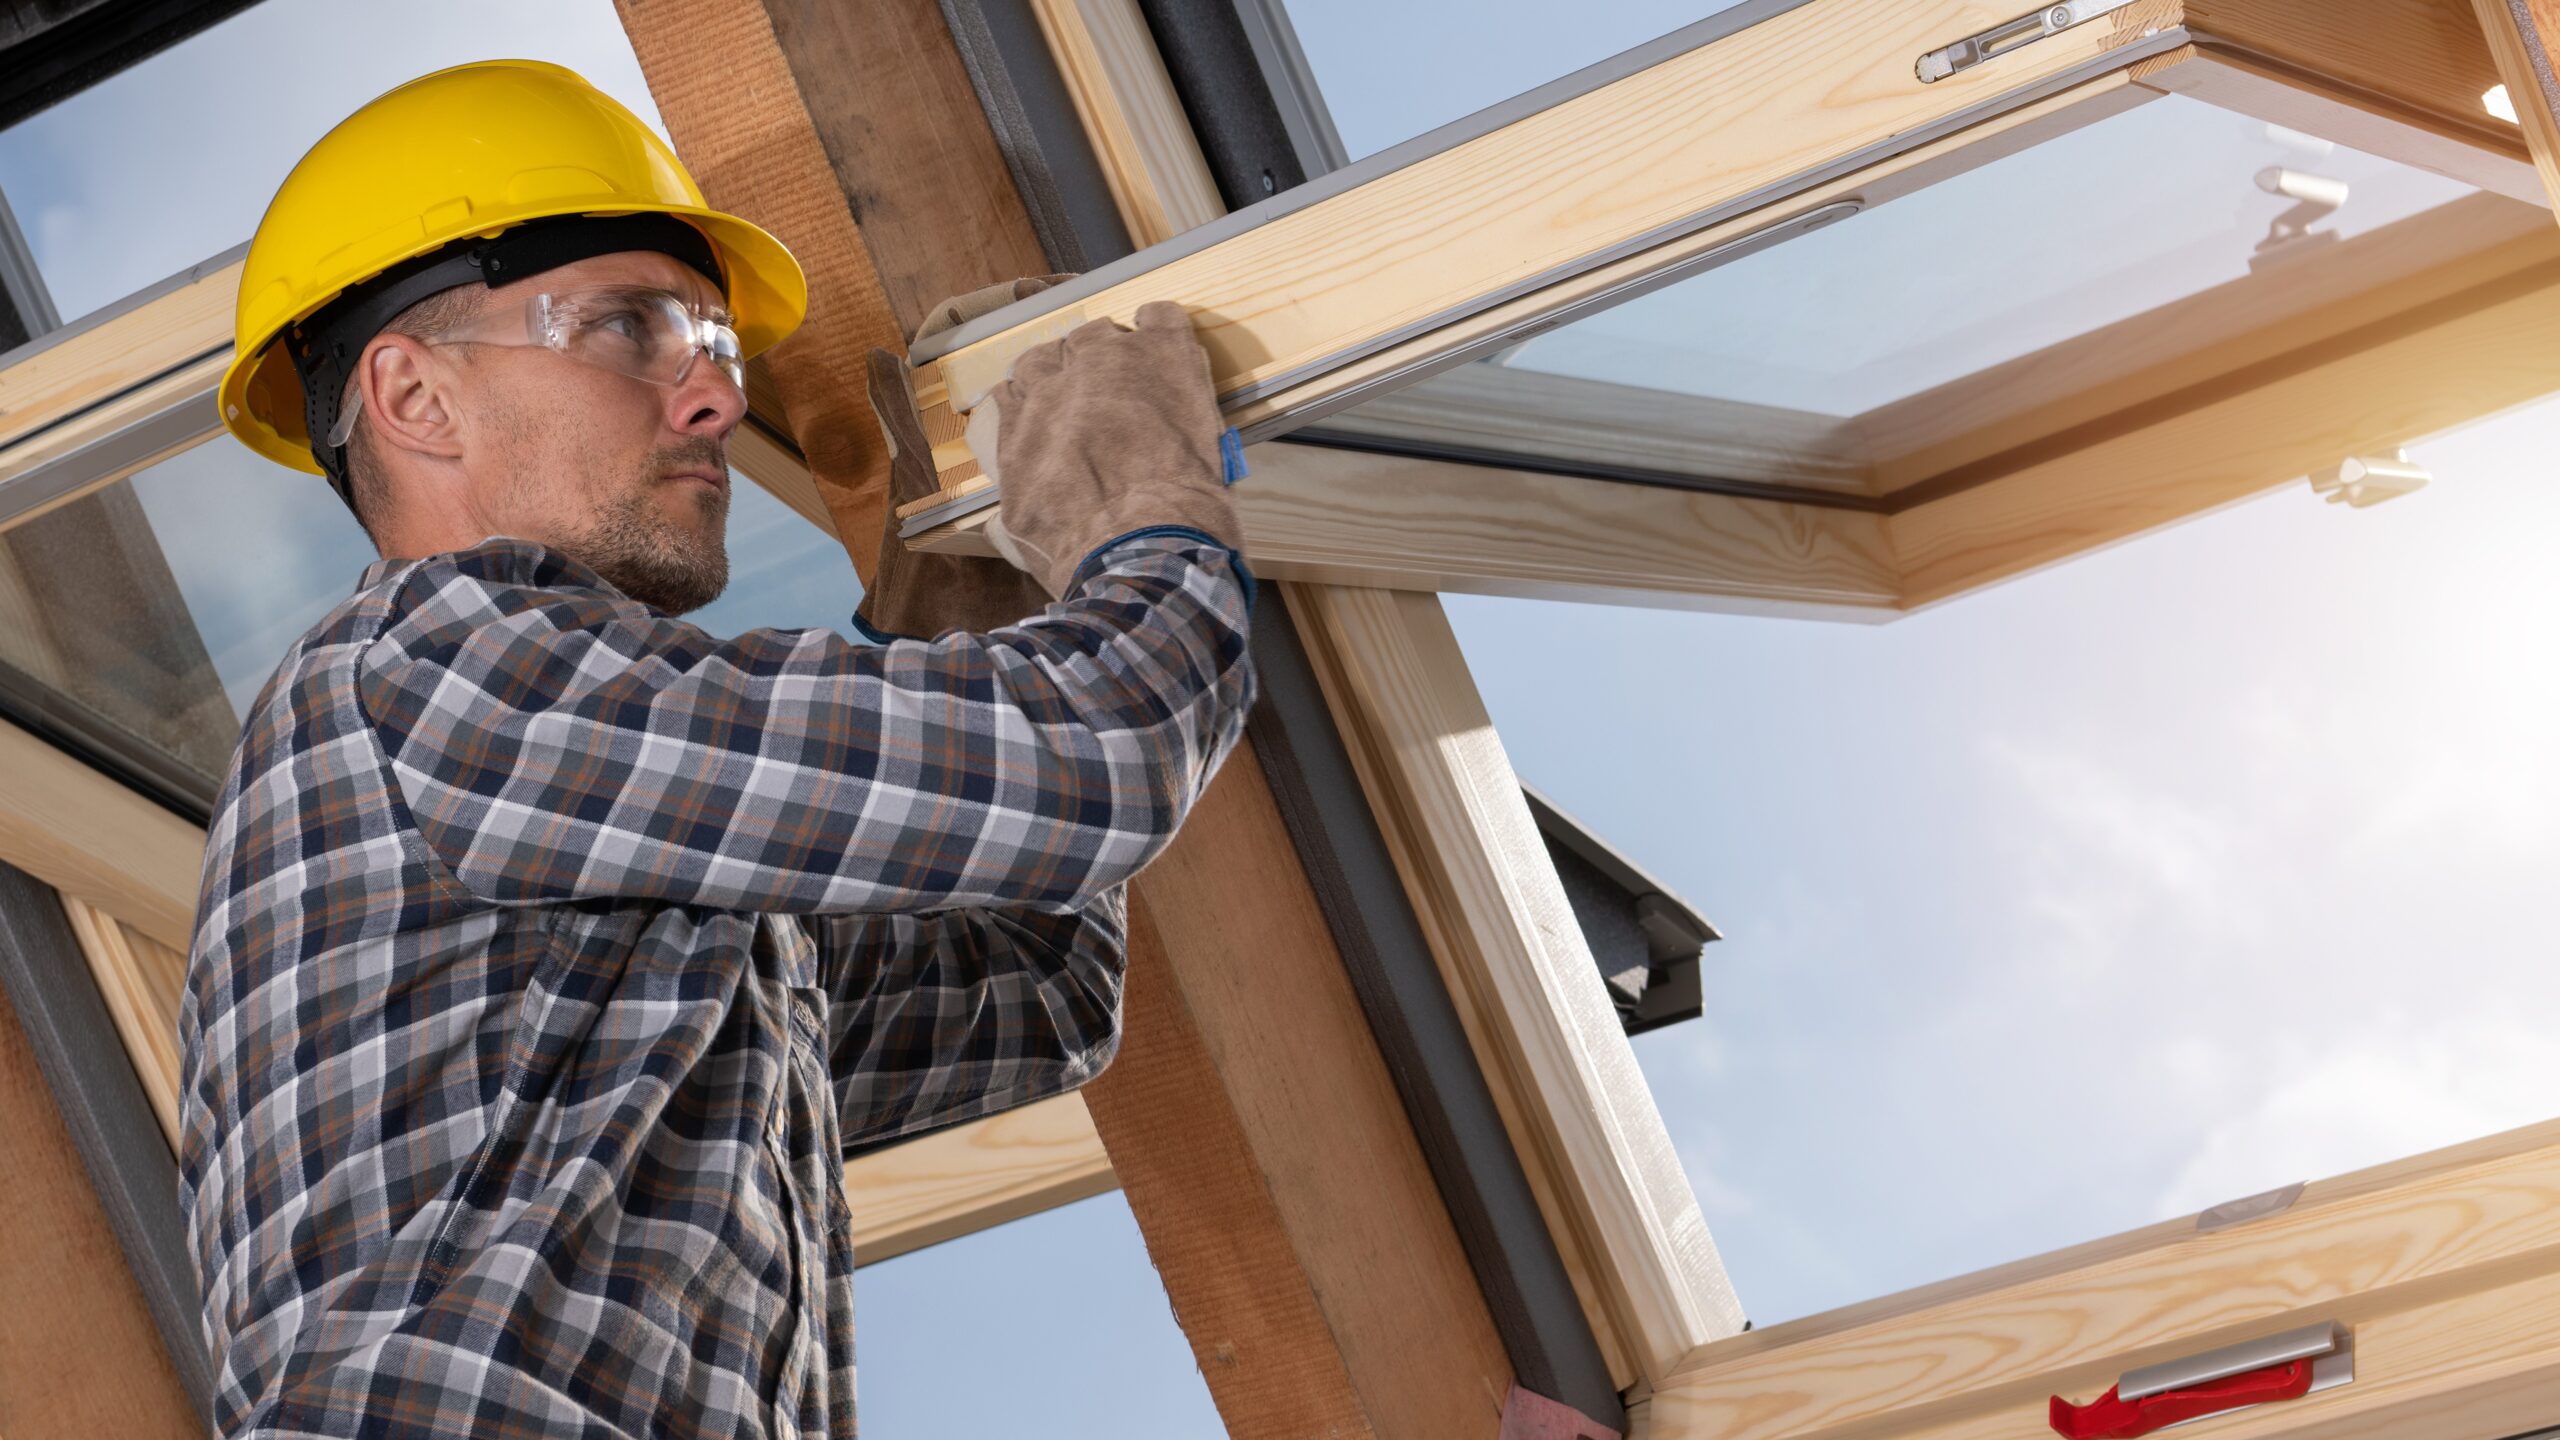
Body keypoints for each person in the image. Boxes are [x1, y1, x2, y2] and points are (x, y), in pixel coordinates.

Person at [181, 58, 1254, 1439]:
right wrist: (1149, 509)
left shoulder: (624, 897)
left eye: (714, 346)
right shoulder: (433, 658)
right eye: (630, 328)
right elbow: (1097, 765)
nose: (714, 401)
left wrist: (974, 579)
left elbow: (1035, 987)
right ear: (415, 397)